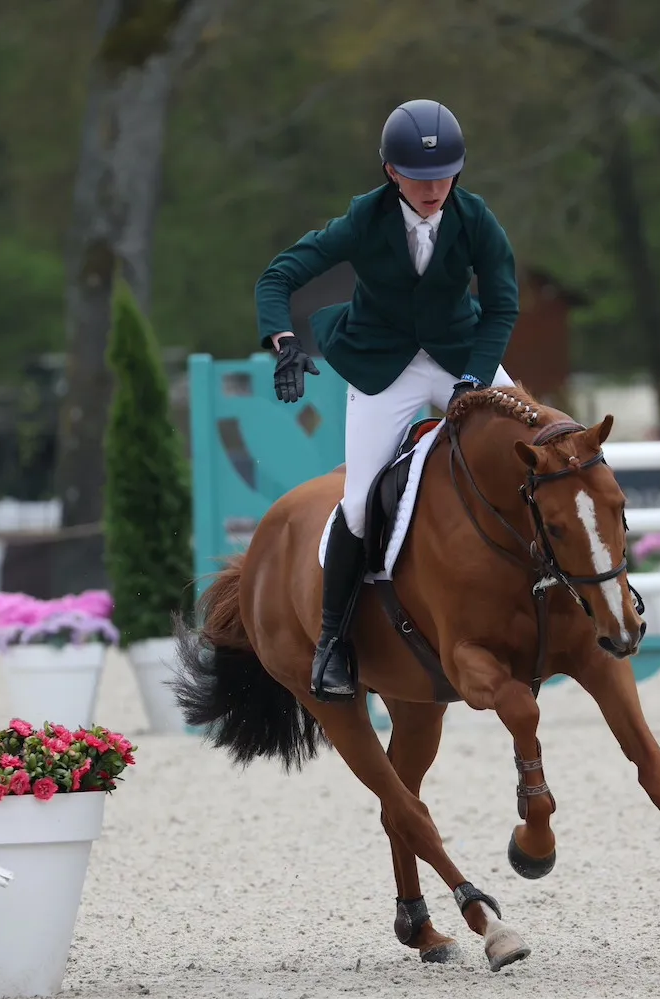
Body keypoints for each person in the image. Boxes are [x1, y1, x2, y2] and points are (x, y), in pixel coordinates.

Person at [254, 98, 521, 702]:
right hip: (387, 369)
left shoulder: (476, 220)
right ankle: (333, 642)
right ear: (391, 172)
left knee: (541, 450)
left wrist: (477, 379)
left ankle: (584, 598)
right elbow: (279, 276)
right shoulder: (363, 222)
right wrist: (284, 338)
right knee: (356, 504)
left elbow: (503, 304)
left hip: (461, 360)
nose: (433, 188)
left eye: (444, 175)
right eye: (419, 177)